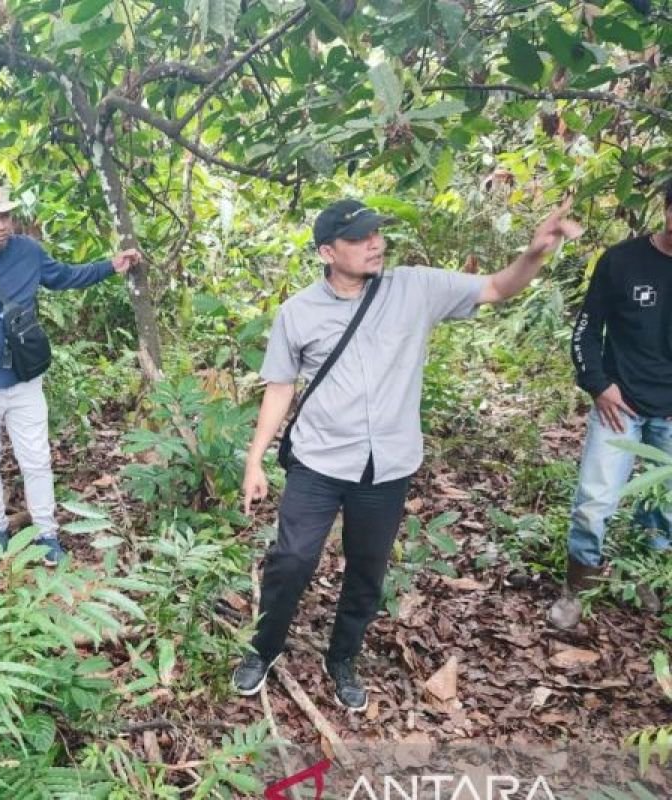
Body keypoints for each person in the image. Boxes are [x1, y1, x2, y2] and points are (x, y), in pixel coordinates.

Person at [234, 197, 582, 709]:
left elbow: (495, 288)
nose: (374, 244)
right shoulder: (298, 312)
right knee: (291, 558)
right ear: (328, 252)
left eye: (377, 233)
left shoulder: (415, 287)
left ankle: (342, 659)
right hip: (319, 461)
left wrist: (533, 254)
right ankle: (262, 650)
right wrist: (255, 458)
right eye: (358, 239)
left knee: (367, 569)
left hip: (388, 465)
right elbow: (280, 386)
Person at [0, 177, 141, 587]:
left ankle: (47, 534)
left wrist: (111, 266)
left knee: (36, 458)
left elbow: (64, 276)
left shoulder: (28, 252)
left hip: (23, 378)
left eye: (4, 216)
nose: (0, 225)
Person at [549, 181, 672, 630]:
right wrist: (599, 385)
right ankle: (576, 588)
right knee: (594, 501)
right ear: (665, 208)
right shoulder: (621, 261)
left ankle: (643, 579)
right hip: (620, 406)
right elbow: (585, 331)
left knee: (663, 508)